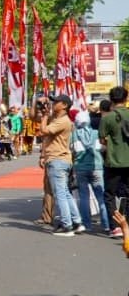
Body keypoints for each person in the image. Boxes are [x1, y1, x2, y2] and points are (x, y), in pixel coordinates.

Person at [37, 94, 83, 236]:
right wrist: (45, 113)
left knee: (60, 194)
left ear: (64, 105)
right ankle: (76, 222)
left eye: (56, 102)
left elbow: (44, 131)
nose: (53, 103)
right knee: (66, 193)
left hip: (57, 159)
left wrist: (45, 116)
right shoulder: (61, 119)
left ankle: (66, 225)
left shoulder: (63, 120)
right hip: (62, 159)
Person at [70, 111, 109, 234]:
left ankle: (87, 224)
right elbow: (103, 148)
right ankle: (106, 224)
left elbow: (72, 150)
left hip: (80, 168)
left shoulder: (74, 135)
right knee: (101, 196)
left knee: (84, 197)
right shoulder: (96, 133)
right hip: (97, 167)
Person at [99, 86, 129, 238]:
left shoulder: (107, 118)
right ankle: (126, 223)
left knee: (110, 194)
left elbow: (102, 140)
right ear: (126, 98)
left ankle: (116, 226)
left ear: (111, 99)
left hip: (113, 161)